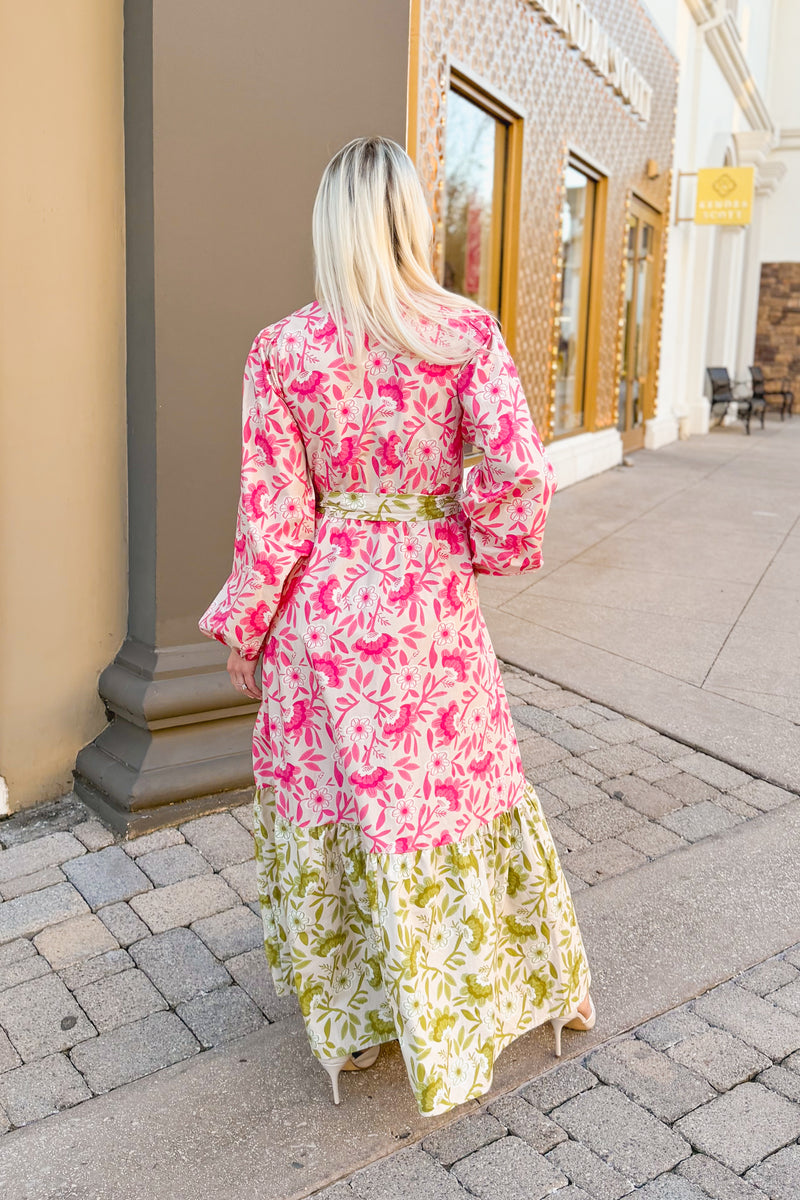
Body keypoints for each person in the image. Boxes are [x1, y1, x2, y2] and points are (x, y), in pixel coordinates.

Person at [198, 135, 594, 1117]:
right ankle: (466, 1001)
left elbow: (273, 511)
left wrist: (246, 625)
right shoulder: (463, 334)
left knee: (343, 813)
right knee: (442, 805)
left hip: (324, 615)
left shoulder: (283, 349)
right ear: (412, 220)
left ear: (329, 225)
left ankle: (364, 1016)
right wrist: (464, 537)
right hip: (428, 609)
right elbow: (516, 475)